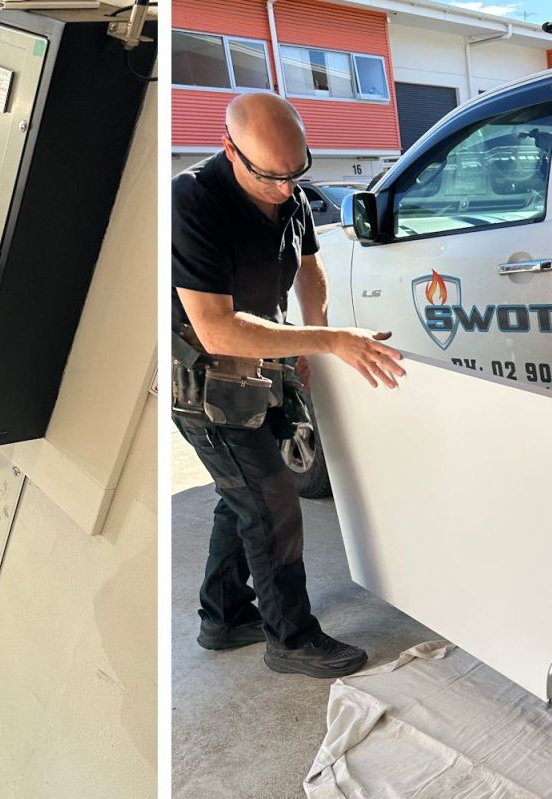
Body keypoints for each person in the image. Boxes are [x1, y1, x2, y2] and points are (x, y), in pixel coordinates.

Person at [173, 93, 406, 678]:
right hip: (205, 384)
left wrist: (311, 334)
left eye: (294, 174)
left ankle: (224, 616)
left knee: (245, 494)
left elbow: (308, 266)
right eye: (270, 177)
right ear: (230, 150)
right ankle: (291, 638)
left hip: (263, 369)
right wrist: (328, 341)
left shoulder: (290, 193)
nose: (284, 189)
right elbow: (215, 328)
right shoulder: (192, 202)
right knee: (272, 501)